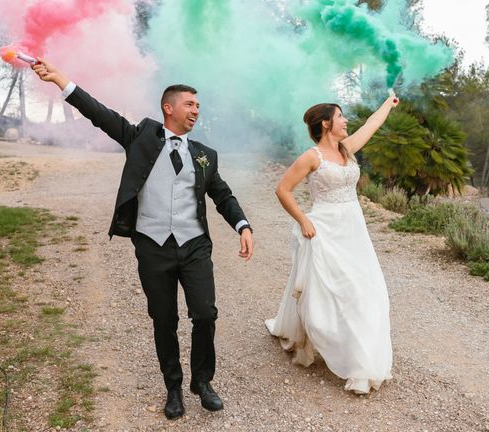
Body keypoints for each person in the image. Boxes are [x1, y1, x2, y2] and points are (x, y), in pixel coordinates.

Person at [32, 59, 254, 419]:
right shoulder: (140, 137)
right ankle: (174, 388)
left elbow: (222, 195)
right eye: (190, 104)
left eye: (198, 106)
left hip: (195, 244)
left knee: (205, 313)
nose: (196, 110)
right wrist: (59, 78)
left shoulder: (204, 156)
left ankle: (203, 381)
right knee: (163, 319)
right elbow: (97, 113)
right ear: (169, 108)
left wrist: (242, 225)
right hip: (153, 245)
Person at [265, 94, 398, 394]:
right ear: (326, 124)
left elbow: (372, 124)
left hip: (353, 229)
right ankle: (338, 346)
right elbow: (283, 189)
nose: (346, 120)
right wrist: (303, 220)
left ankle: (361, 353)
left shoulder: (346, 149)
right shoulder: (313, 157)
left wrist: (388, 104)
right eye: (341, 117)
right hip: (324, 228)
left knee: (368, 290)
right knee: (334, 291)